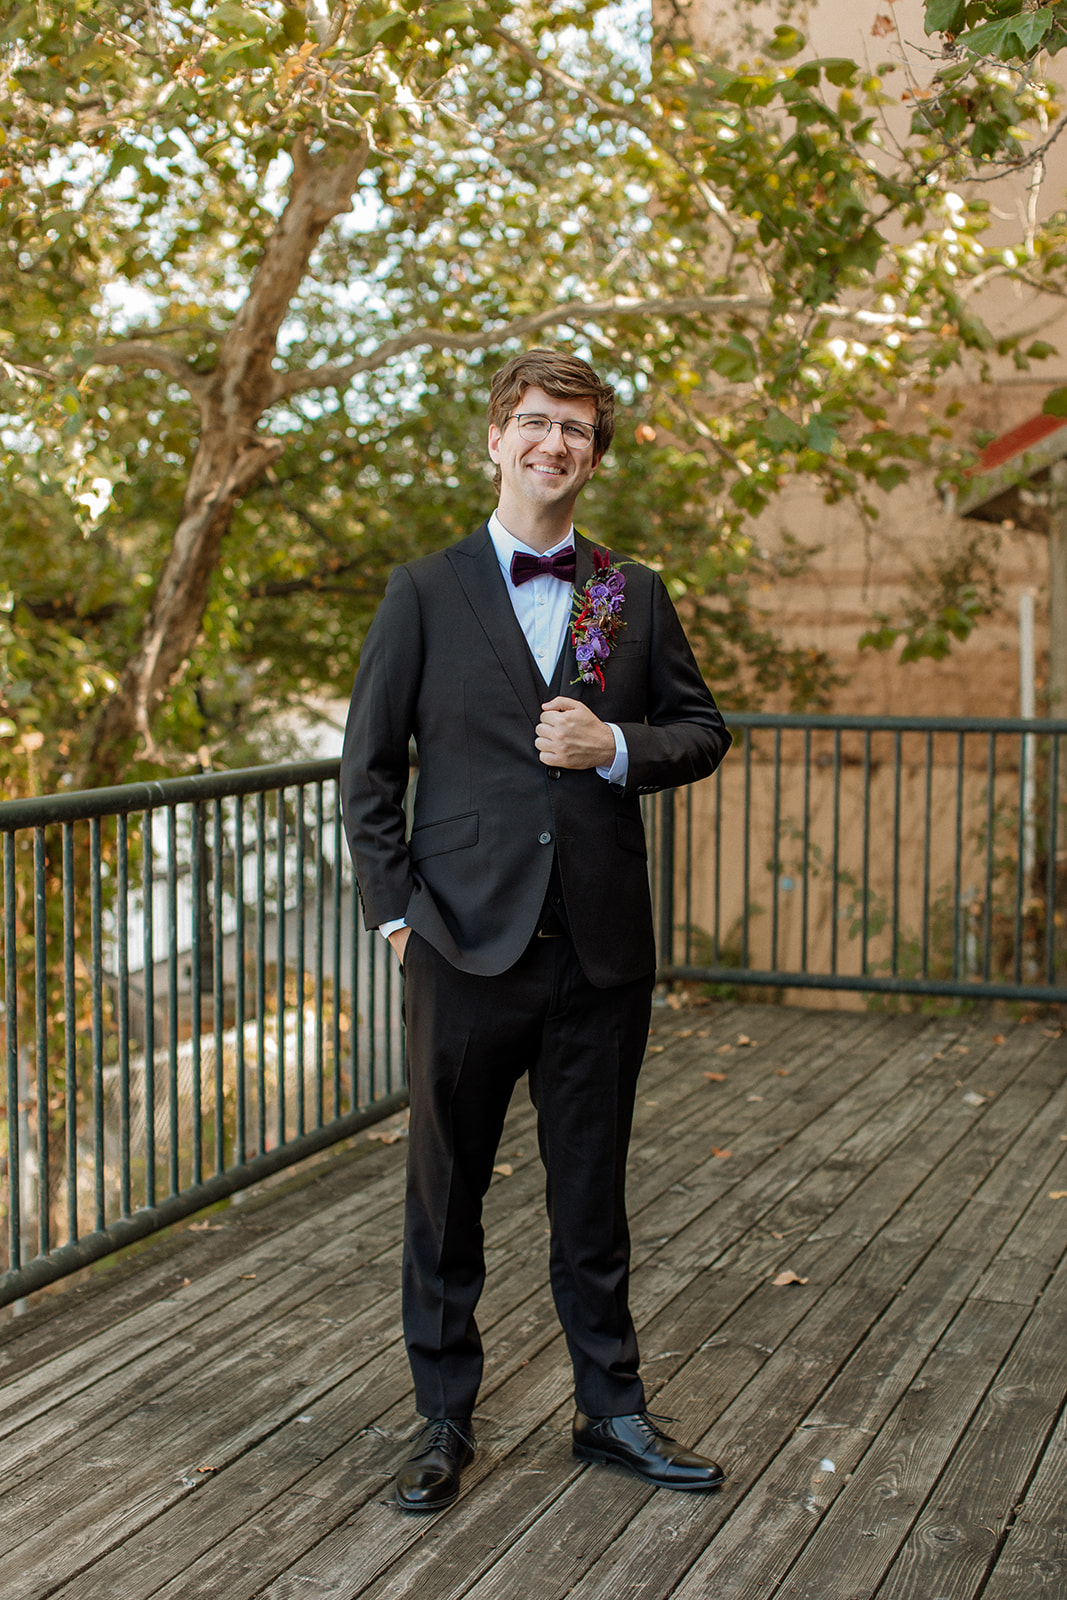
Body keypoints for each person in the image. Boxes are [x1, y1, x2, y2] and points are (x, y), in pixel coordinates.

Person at [340, 348, 731, 1512]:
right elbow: (368, 775)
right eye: (534, 422)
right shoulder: (422, 589)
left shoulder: (626, 593)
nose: (553, 443)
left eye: (575, 429)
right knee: (444, 1191)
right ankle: (440, 1418)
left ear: (591, 456)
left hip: (599, 952)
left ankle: (610, 1409)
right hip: (460, 945)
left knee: (590, 1192)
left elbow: (701, 731)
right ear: (495, 440)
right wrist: (399, 920)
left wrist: (614, 748)